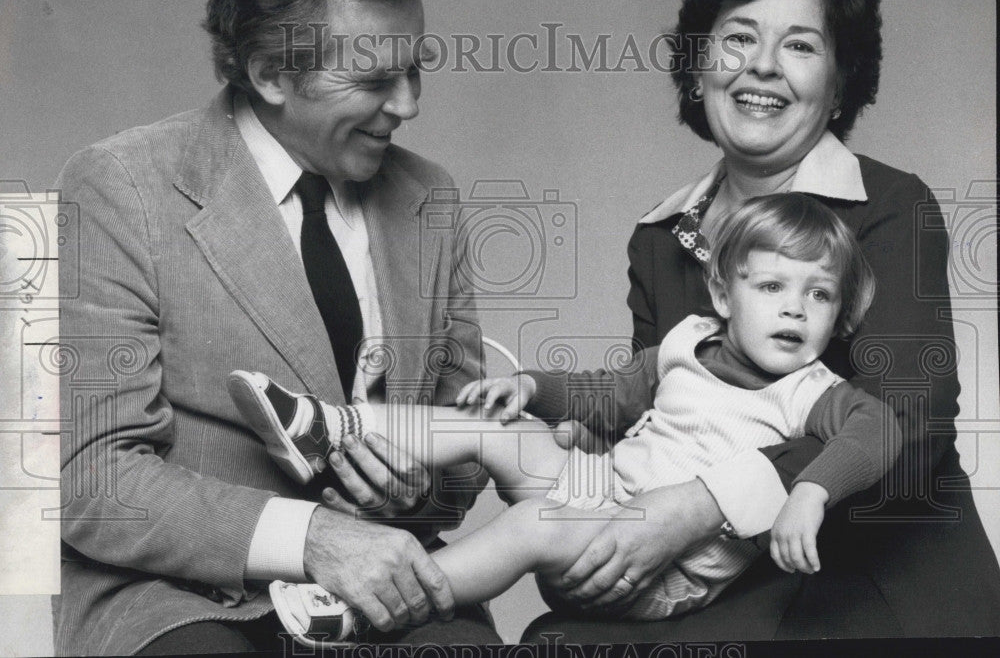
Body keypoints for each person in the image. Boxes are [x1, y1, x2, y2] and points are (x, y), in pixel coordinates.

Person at [520, 0, 1000, 640]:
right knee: (555, 641)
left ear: (838, 87)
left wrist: (704, 500)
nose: (763, 66)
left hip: (872, 569)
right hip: (717, 574)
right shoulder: (659, 238)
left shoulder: (892, 206)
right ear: (697, 67)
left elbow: (908, 425)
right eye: (739, 37)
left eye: (800, 45)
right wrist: (573, 441)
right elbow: (663, 411)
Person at [53, 0, 502, 655]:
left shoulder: (432, 197)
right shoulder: (114, 185)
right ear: (267, 72)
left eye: (415, 68)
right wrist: (314, 535)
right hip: (185, 602)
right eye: (373, 78)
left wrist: (414, 485)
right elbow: (91, 476)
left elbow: (469, 448)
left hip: (381, 598)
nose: (408, 105)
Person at [230, 193, 901, 642]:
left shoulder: (809, 389)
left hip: (652, 569)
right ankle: (334, 427)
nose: (793, 309)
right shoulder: (687, 341)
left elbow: (881, 428)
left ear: (837, 316)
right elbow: (608, 393)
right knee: (503, 432)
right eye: (773, 286)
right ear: (725, 293)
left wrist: (811, 488)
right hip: (603, 492)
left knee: (532, 521)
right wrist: (532, 387)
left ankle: (357, 609)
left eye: (818, 295)